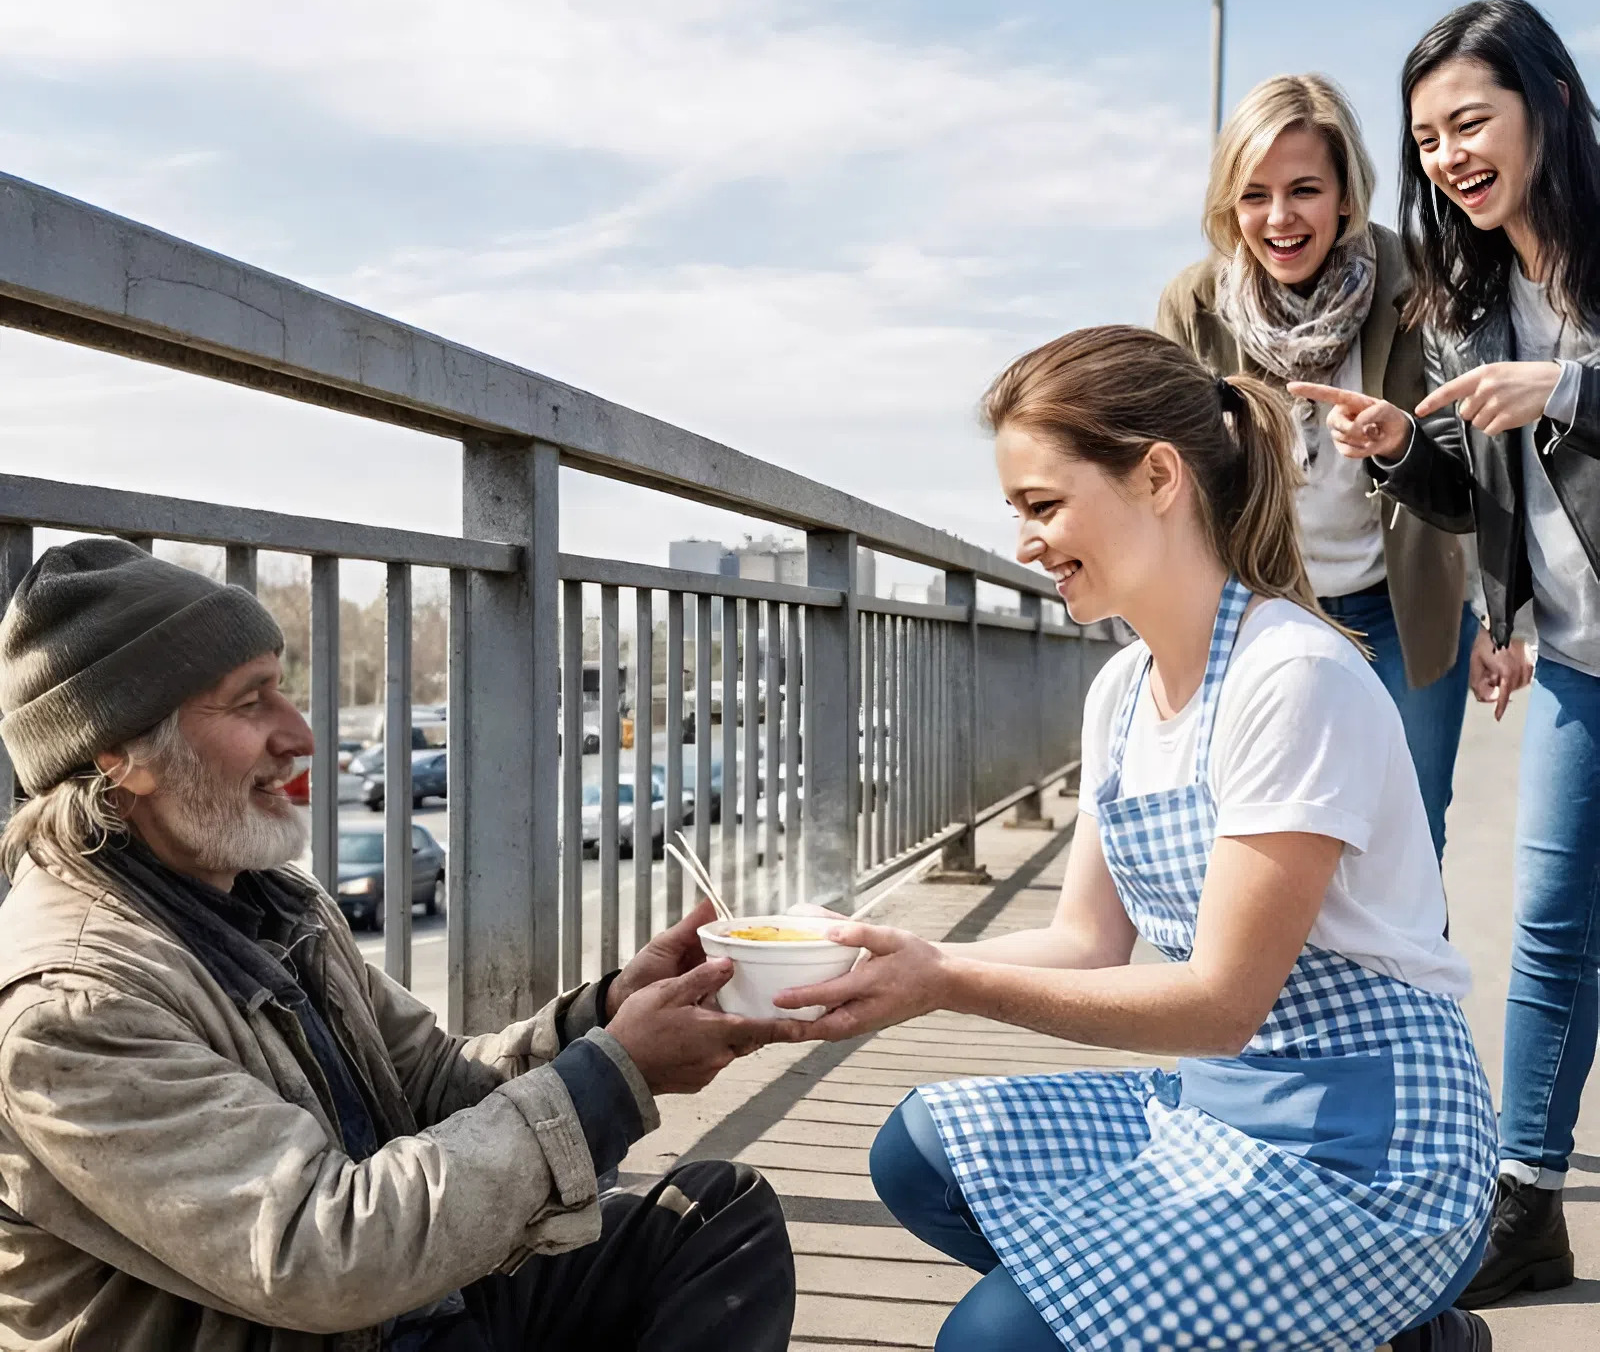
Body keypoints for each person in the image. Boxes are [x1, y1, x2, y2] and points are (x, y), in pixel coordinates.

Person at [776, 327, 1498, 1351]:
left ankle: (1355, 1316)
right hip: (1217, 1108)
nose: (1024, 540)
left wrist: (943, 980)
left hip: (1376, 1154)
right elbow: (1083, 942)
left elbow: (1217, 1001)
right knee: (920, 1149)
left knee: (991, 1341)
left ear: (1157, 475)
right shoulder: (1119, 691)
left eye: (1042, 503)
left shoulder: (1289, 677)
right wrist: (883, 955)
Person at [0, 539, 801, 1352]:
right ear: (120, 756)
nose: (301, 735)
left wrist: (602, 1021)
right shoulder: (70, 1010)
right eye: (250, 703)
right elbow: (320, 1252)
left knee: (715, 1215)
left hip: (409, 1315)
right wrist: (608, 1079)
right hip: (336, 1318)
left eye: (282, 689)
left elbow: (431, 1083)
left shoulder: (275, 902)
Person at [1291, 0, 1600, 1309]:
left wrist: (1574, 387)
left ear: (1546, 101)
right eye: (1427, 139)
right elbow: (1489, 502)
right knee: (1547, 924)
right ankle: (1525, 1199)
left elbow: (1561, 422)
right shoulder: (1469, 299)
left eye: (1471, 119)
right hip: (1585, 659)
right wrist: (1403, 452)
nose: (1450, 155)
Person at [1156, 72, 1502, 863]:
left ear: (1346, 194)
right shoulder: (1193, 307)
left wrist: (1399, 442)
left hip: (1402, 604)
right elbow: (1159, 473)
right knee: (1261, 839)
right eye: (1254, 195)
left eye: (1304, 189)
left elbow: (1476, 465)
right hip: (1261, 608)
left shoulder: (1418, 285)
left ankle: (1408, 990)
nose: (1279, 219)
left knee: (1407, 839)